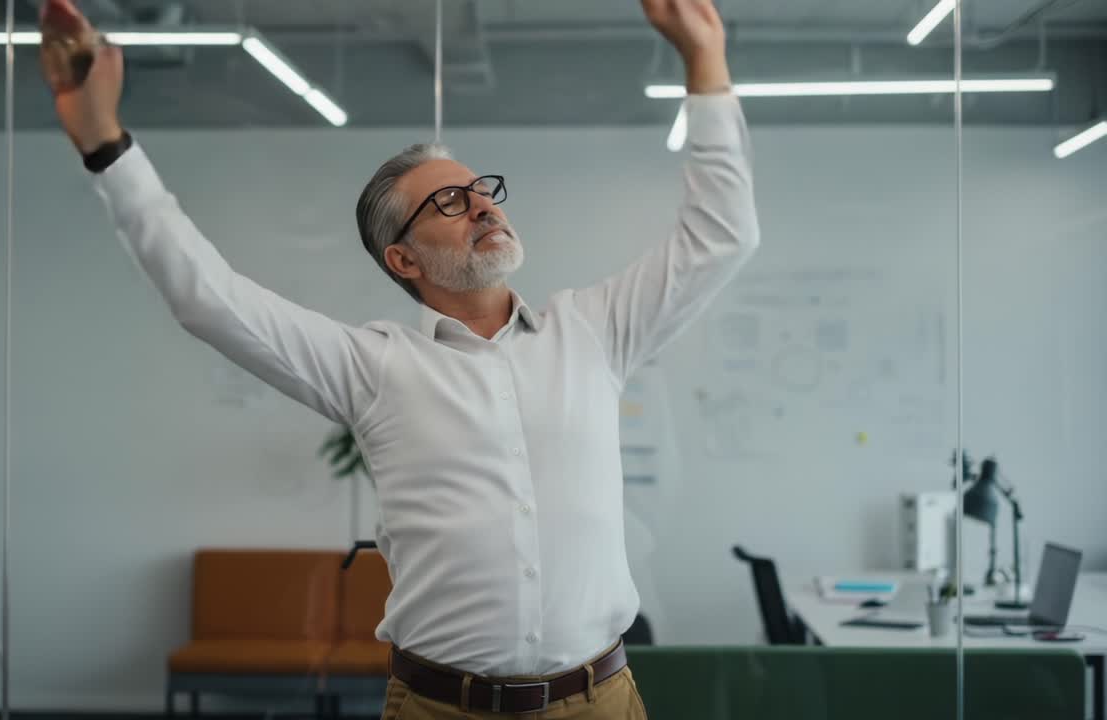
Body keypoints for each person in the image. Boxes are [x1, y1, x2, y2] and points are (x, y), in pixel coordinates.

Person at [42, 0, 757, 716]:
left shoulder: (594, 332)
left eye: (483, 190)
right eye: (449, 200)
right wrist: (106, 144)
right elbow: (209, 297)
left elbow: (721, 239)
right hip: (440, 707)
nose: (481, 205)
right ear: (402, 257)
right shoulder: (374, 369)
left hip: (601, 701)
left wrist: (706, 63)